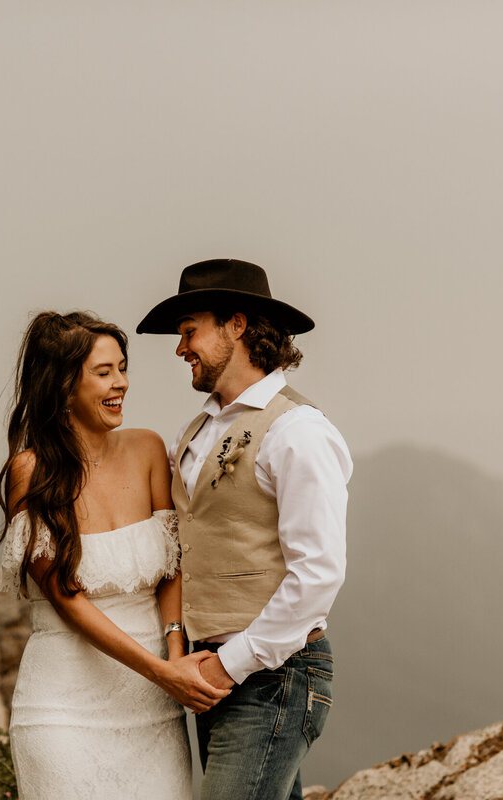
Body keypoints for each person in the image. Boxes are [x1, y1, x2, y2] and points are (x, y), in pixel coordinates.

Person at [136, 259, 353, 800]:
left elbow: (318, 573)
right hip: (212, 675)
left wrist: (229, 666)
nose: (180, 347)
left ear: (237, 325)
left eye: (190, 331)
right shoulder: (200, 428)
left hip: (271, 675)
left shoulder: (297, 431)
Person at [0, 311, 229, 800]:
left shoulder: (147, 449)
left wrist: (175, 649)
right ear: (62, 386)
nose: (120, 383)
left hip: (153, 706)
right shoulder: (30, 471)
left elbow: (172, 566)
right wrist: (162, 672)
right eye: (104, 372)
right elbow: (66, 598)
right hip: (63, 712)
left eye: (122, 368)